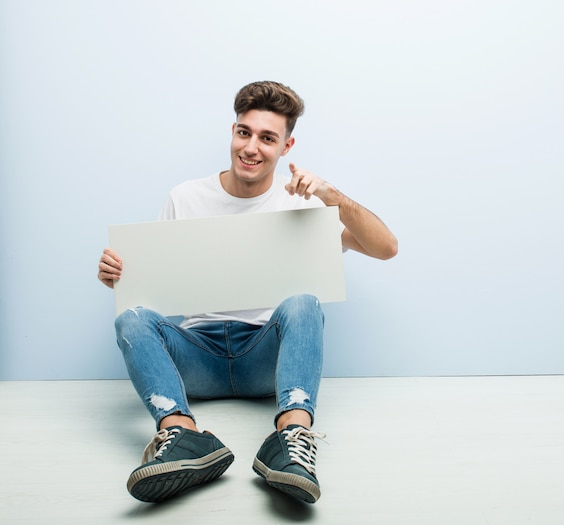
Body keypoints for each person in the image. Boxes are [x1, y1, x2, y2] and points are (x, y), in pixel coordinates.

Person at [98, 80, 398, 504]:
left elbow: (386, 248)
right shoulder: (185, 197)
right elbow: (150, 286)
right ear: (234, 132)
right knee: (131, 319)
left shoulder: (303, 204)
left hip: (265, 359)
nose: (251, 148)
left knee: (303, 303)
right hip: (196, 357)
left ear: (287, 146)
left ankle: (292, 440)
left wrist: (330, 195)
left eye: (267, 138)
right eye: (244, 132)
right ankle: (182, 435)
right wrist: (117, 273)